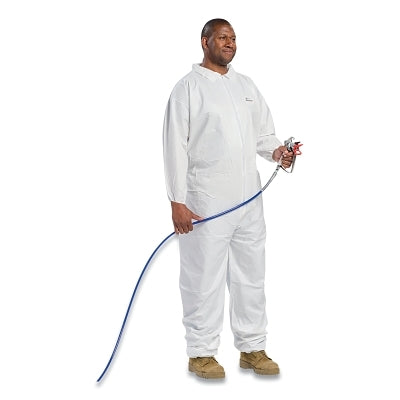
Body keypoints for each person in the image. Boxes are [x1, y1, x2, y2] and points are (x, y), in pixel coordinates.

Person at [162, 18, 293, 379]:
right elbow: (174, 147)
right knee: (203, 277)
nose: (230, 42)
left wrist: (278, 151)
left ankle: (253, 348)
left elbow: (263, 134)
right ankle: (201, 353)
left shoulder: (245, 86)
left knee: (251, 276)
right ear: (204, 42)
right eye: (222, 37)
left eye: (233, 38)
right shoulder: (188, 89)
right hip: (205, 200)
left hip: (248, 200)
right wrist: (177, 201)